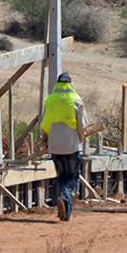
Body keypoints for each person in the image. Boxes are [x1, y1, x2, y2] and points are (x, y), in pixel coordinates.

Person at [41, 71, 87, 222]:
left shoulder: (50, 100)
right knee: (72, 177)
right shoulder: (76, 100)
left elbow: (45, 123)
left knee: (61, 177)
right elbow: (82, 125)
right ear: (70, 84)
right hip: (72, 146)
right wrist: (81, 138)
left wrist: (45, 140)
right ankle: (64, 197)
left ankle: (65, 214)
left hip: (55, 147)